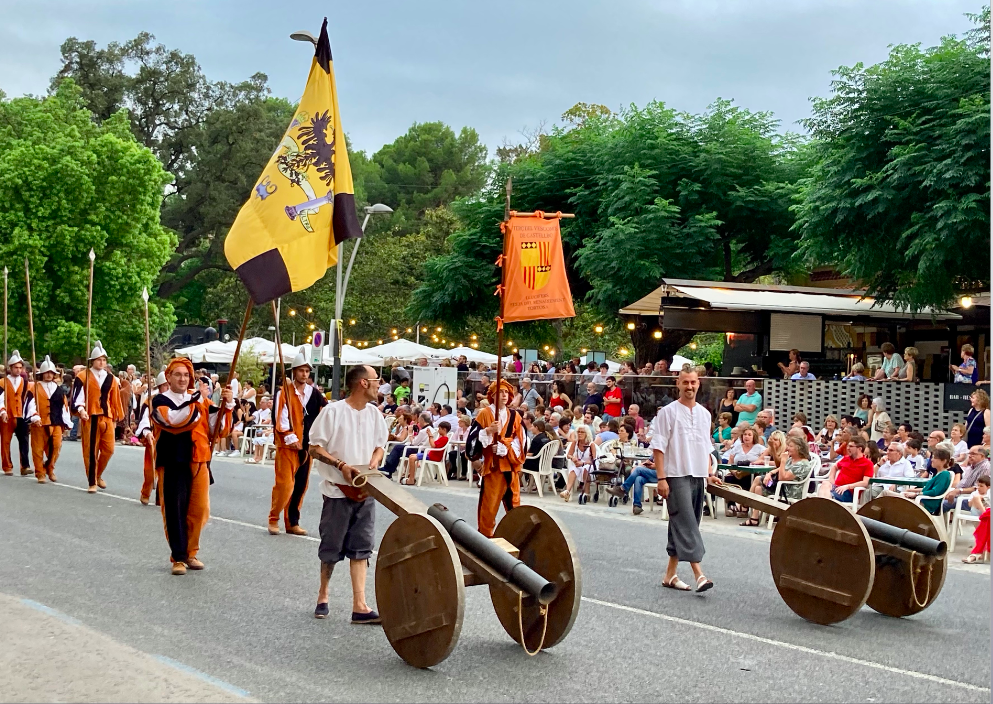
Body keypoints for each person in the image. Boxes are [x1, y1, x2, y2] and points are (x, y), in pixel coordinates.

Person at [138, 358, 234, 575]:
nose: (182, 379)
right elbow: (174, 421)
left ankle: (191, 551)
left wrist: (226, 406)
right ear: (169, 377)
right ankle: (178, 557)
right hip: (172, 459)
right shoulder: (159, 400)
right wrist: (198, 399)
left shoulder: (199, 400)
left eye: (186, 375)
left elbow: (216, 429)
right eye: (178, 374)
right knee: (174, 509)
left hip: (199, 458)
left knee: (200, 509)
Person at [308, 364, 387, 623]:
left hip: (365, 490)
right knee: (331, 546)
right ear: (363, 383)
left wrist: (373, 463)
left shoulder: (375, 414)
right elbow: (315, 449)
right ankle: (323, 594)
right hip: (337, 491)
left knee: (362, 547)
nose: (379, 384)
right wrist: (341, 465)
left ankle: (360, 605)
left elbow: (380, 447)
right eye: (376, 379)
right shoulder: (333, 411)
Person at [650, 369, 718, 592]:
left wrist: (709, 473)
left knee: (685, 521)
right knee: (687, 522)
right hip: (675, 474)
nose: (689, 386)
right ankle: (699, 574)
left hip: (698, 474)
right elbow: (658, 447)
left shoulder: (705, 414)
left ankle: (670, 574)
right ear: (677, 384)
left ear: (699, 384)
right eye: (685, 382)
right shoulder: (668, 413)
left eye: (693, 382)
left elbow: (707, 447)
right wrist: (662, 478)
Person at [269, 352, 328, 536]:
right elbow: (280, 417)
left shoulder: (314, 393)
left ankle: (292, 522)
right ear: (294, 372)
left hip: (306, 446)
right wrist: (290, 437)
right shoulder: (284, 392)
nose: (304, 374)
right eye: (301, 370)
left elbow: (326, 410)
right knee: (285, 484)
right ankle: (273, 518)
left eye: (307, 371)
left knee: (301, 485)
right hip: (288, 446)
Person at [72, 341, 125, 493]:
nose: (101, 362)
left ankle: (98, 474)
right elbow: (77, 397)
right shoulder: (83, 377)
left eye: (103, 360)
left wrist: (116, 416)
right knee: (91, 451)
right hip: (91, 416)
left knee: (109, 449)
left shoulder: (111, 378)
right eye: (98, 360)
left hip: (106, 416)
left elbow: (115, 399)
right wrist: (81, 409)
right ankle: (91, 481)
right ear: (92, 361)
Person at [475, 379, 525, 537]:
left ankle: (516, 538)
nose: (504, 395)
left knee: (515, 507)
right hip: (493, 468)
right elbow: (473, 441)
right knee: (489, 508)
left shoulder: (515, 415)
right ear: (493, 395)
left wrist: (506, 448)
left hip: (510, 466)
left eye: (506, 392)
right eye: (500, 392)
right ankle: (485, 537)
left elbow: (521, 439)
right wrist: (489, 431)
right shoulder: (485, 413)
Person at [741, 436, 814, 526]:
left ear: (798, 448)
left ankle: (745, 506)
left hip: (790, 490)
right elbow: (779, 469)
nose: (787, 448)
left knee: (758, 481)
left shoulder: (803, 464)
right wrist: (770, 474)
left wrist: (783, 461)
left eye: (790, 446)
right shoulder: (792, 459)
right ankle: (754, 517)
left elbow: (782, 477)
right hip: (780, 486)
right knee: (758, 487)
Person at [23, 356, 72, 484]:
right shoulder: (34, 388)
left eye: (51, 373)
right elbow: (29, 404)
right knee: (38, 449)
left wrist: (67, 422)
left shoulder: (59, 389)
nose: (49, 375)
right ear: (42, 374)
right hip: (39, 423)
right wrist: (34, 416)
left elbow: (64, 407)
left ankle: (49, 468)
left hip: (55, 422)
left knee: (56, 446)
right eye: (46, 373)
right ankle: (40, 472)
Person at [136, 371, 168, 504]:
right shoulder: (151, 400)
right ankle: (146, 491)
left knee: (166, 471)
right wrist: (147, 432)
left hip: (170, 438)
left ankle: (161, 498)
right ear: (160, 386)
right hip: (154, 436)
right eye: (166, 385)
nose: (168, 388)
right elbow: (144, 419)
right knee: (150, 470)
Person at [1, 350, 30, 476]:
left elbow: (27, 399)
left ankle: (25, 466)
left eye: (20, 367)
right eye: (16, 368)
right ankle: (7, 466)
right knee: (5, 441)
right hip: (7, 415)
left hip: (21, 414)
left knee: (24, 440)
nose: (18, 370)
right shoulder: (2, 382)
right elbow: (0, 399)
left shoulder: (25, 382)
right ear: (10, 368)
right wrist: (2, 411)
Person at [899, 446, 953, 515]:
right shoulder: (938, 474)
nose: (932, 460)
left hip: (926, 504)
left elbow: (934, 492)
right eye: (932, 457)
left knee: (888, 495)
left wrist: (916, 494)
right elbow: (927, 489)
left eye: (934, 458)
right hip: (922, 500)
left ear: (943, 461)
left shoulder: (944, 474)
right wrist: (911, 490)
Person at [819, 436, 874, 504]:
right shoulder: (846, 458)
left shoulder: (867, 464)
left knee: (825, 495)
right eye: (848, 446)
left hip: (848, 492)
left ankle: (823, 507)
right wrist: (832, 480)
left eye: (851, 446)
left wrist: (848, 486)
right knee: (825, 483)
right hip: (836, 488)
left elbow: (865, 483)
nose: (847, 448)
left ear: (859, 448)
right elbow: (834, 467)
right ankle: (825, 506)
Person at [941, 446, 990, 514]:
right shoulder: (972, 466)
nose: (969, 456)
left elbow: (978, 488)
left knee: (942, 504)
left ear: (982, 456)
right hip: (960, 494)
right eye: (969, 453)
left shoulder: (985, 467)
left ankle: (933, 523)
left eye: (973, 454)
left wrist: (958, 491)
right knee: (936, 499)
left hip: (971, 499)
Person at [560, 425, 594, 502]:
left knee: (586, 468)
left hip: (589, 464)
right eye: (578, 432)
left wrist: (583, 463)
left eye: (582, 432)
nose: (579, 434)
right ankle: (567, 491)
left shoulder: (591, 444)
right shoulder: (575, 443)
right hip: (579, 463)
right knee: (573, 468)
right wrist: (573, 458)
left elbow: (594, 460)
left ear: (587, 434)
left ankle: (587, 493)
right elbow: (569, 455)